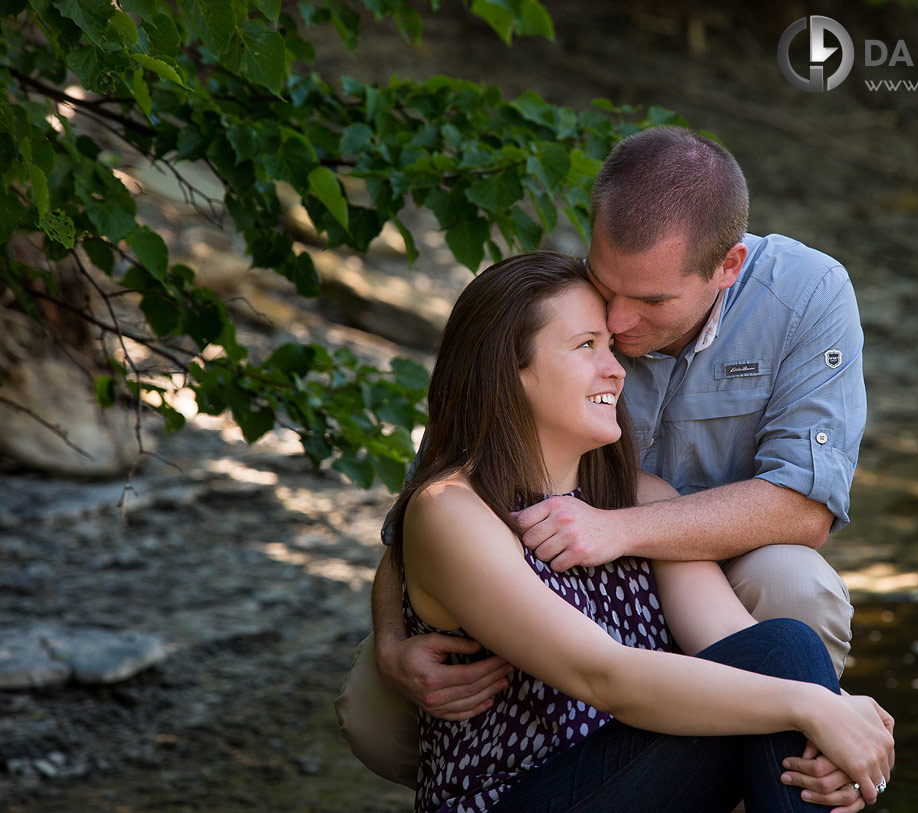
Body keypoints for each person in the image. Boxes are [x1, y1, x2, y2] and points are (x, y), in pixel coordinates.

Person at [336, 126, 867, 799]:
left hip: (673, 597)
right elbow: (602, 672)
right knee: (371, 715)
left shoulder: (800, 301)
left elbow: (799, 515)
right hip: (531, 776)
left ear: (726, 268)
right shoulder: (459, 500)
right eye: (590, 333)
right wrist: (391, 640)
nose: (615, 334)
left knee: (789, 633)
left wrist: (836, 716)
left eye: (647, 303)